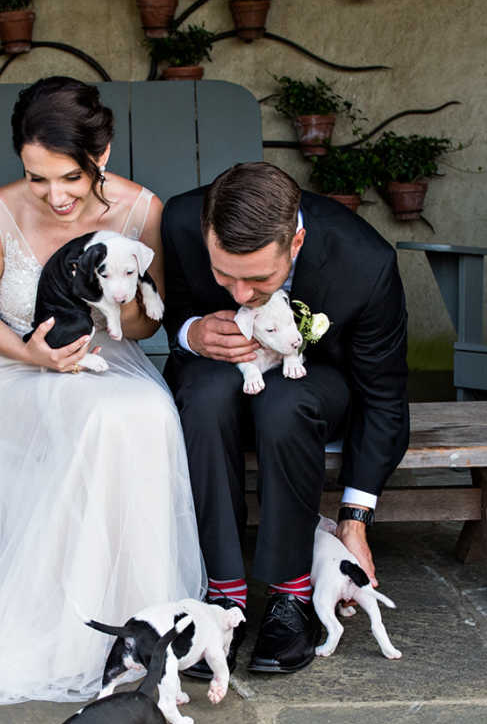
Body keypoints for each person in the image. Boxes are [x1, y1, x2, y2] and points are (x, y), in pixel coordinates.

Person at [0, 77, 205, 709]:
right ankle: (63, 628)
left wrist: (114, 308)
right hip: (19, 376)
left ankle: (132, 620)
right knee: (106, 420)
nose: (54, 196)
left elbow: (148, 322)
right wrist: (31, 351)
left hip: (111, 365)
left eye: (71, 178)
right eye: (37, 178)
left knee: (144, 412)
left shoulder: (141, 211)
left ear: (101, 156)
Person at [162, 161, 409, 676]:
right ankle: (221, 592)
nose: (238, 294)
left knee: (285, 404)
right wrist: (192, 333)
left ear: (295, 244)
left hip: (317, 385)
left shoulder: (365, 261)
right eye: (222, 274)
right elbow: (176, 314)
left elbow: (383, 397)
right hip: (221, 377)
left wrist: (355, 520)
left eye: (256, 278)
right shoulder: (182, 219)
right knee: (204, 397)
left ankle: (291, 591)